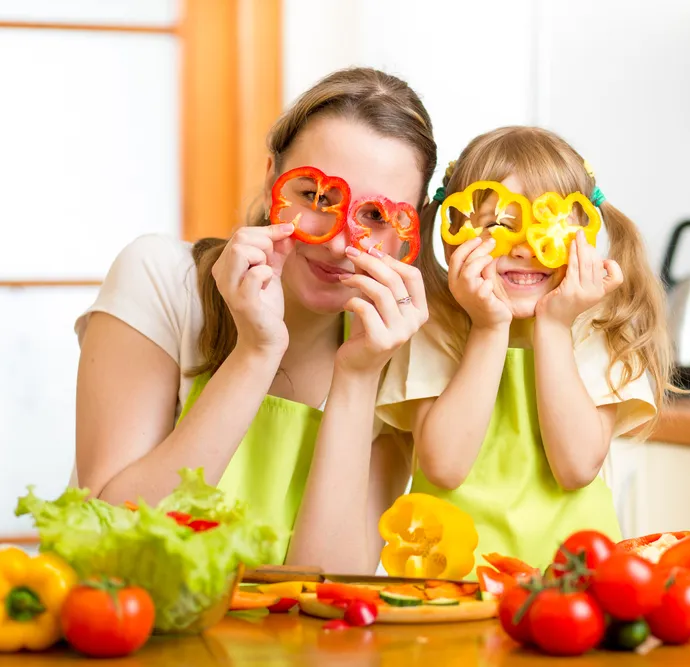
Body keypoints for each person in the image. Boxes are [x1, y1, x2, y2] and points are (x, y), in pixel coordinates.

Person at [72, 67, 437, 573]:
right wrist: (255, 353)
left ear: (411, 227)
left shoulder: (396, 351)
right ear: (273, 180)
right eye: (315, 196)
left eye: (375, 216)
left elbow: (326, 593)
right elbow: (104, 542)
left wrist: (356, 377)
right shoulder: (158, 278)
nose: (336, 243)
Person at [376, 126, 676, 573]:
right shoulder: (430, 320)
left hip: (574, 581)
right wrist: (488, 327)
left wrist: (554, 327)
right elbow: (444, 466)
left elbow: (576, 468)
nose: (524, 248)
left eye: (547, 224)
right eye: (498, 224)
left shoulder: (598, 324)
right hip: (450, 583)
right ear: (455, 232)